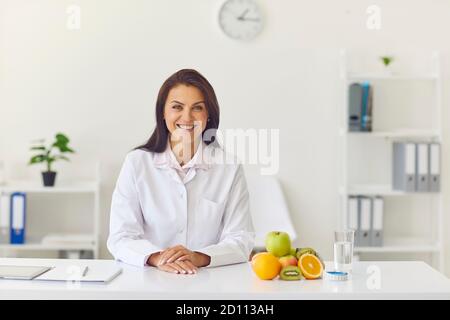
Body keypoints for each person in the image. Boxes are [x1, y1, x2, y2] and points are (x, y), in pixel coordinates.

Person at [107, 69, 255, 274]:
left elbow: (241, 239)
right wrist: (159, 258)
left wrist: (197, 257)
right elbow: (121, 236)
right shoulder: (136, 163)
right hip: (149, 280)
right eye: (177, 107)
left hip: (208, 283)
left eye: (197, 108)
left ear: (208, 115)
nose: (187, 117)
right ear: (163, 112)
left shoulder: (229, 167)